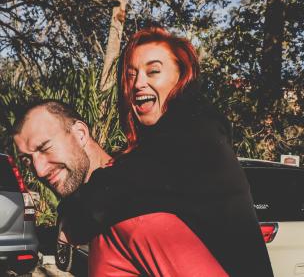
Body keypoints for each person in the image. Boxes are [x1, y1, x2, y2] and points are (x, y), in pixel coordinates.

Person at [58, 25, 274, 277]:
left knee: (124, 225)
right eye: (131, 75)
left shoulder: (196, 133)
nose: (138, 83)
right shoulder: (168, 140)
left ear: (182, 78)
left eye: (154, 71)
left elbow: (111, 194)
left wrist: (69, 216)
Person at [12, 100, 227, 276]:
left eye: (45, 148)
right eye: (27, 160)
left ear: (80, 133)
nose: (38, 170)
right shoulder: (84, 207)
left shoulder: (136, 210)